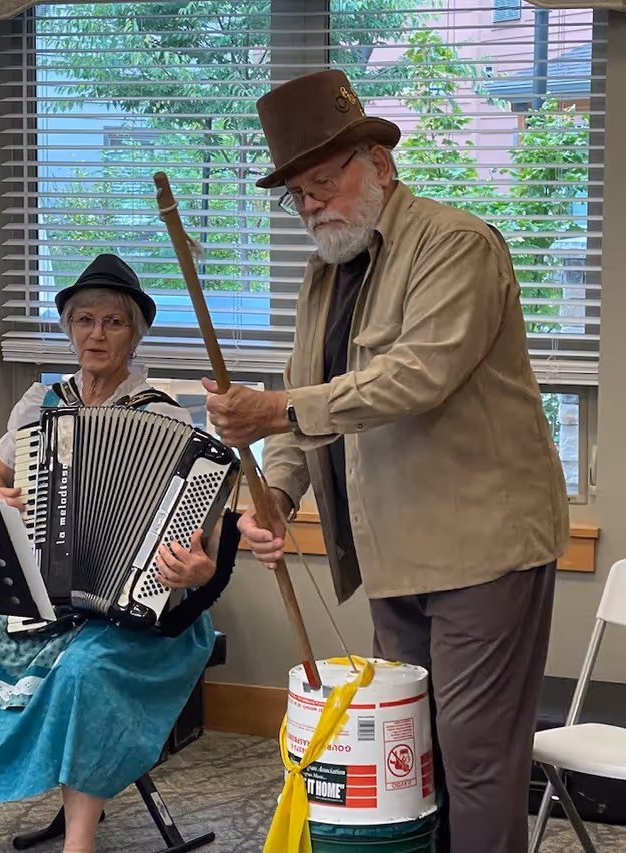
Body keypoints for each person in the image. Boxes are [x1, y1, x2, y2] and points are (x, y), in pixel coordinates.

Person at [203, 70, 569, 853]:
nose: (311, 206)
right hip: (391, 558)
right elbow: (305, 401)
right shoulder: (325, 275)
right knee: (413, 762)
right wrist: (274, 493)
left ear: (379, 162)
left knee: (475, 762)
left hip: (483, 552)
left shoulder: (457, 243)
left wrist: (273, 409)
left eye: (324, 182)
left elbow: (414, 377)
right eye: (297, 194)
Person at [0, 254, 239, 853]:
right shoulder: (38, 406)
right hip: (46, 600)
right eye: (83, 320)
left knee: (85, 671)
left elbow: (207, 542)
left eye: (113, 323)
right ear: (69, 328)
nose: (96, 335)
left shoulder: (164, 416)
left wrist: (199, 570)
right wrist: (5, 499)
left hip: (141, 612)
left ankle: (80, 840)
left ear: (136, 333)